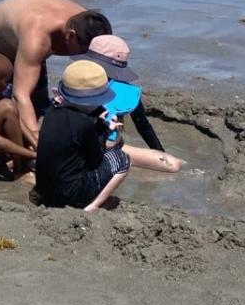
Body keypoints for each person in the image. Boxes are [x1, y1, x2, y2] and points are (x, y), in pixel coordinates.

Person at [0, 0, 111, 147]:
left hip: (25, 49)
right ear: (71, 36)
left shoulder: (89, 22)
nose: (85, 56)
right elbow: (21, 95)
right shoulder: (38, 37)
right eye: (83, 51)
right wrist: (37, 144)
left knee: (41, 106)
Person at [34, 61, 182, 211]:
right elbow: (95, 161)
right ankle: (91, 207)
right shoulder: (84, 124)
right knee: (122, 159)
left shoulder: (52, 112)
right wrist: (104, 130)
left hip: (45, 189)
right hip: (67, 194)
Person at [69, 35, 179, 162]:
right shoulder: (126, 93)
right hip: (107, 149)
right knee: (173, 165)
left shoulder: (72, 81)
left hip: (75, 146)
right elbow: (143, 125)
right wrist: (162, 154)